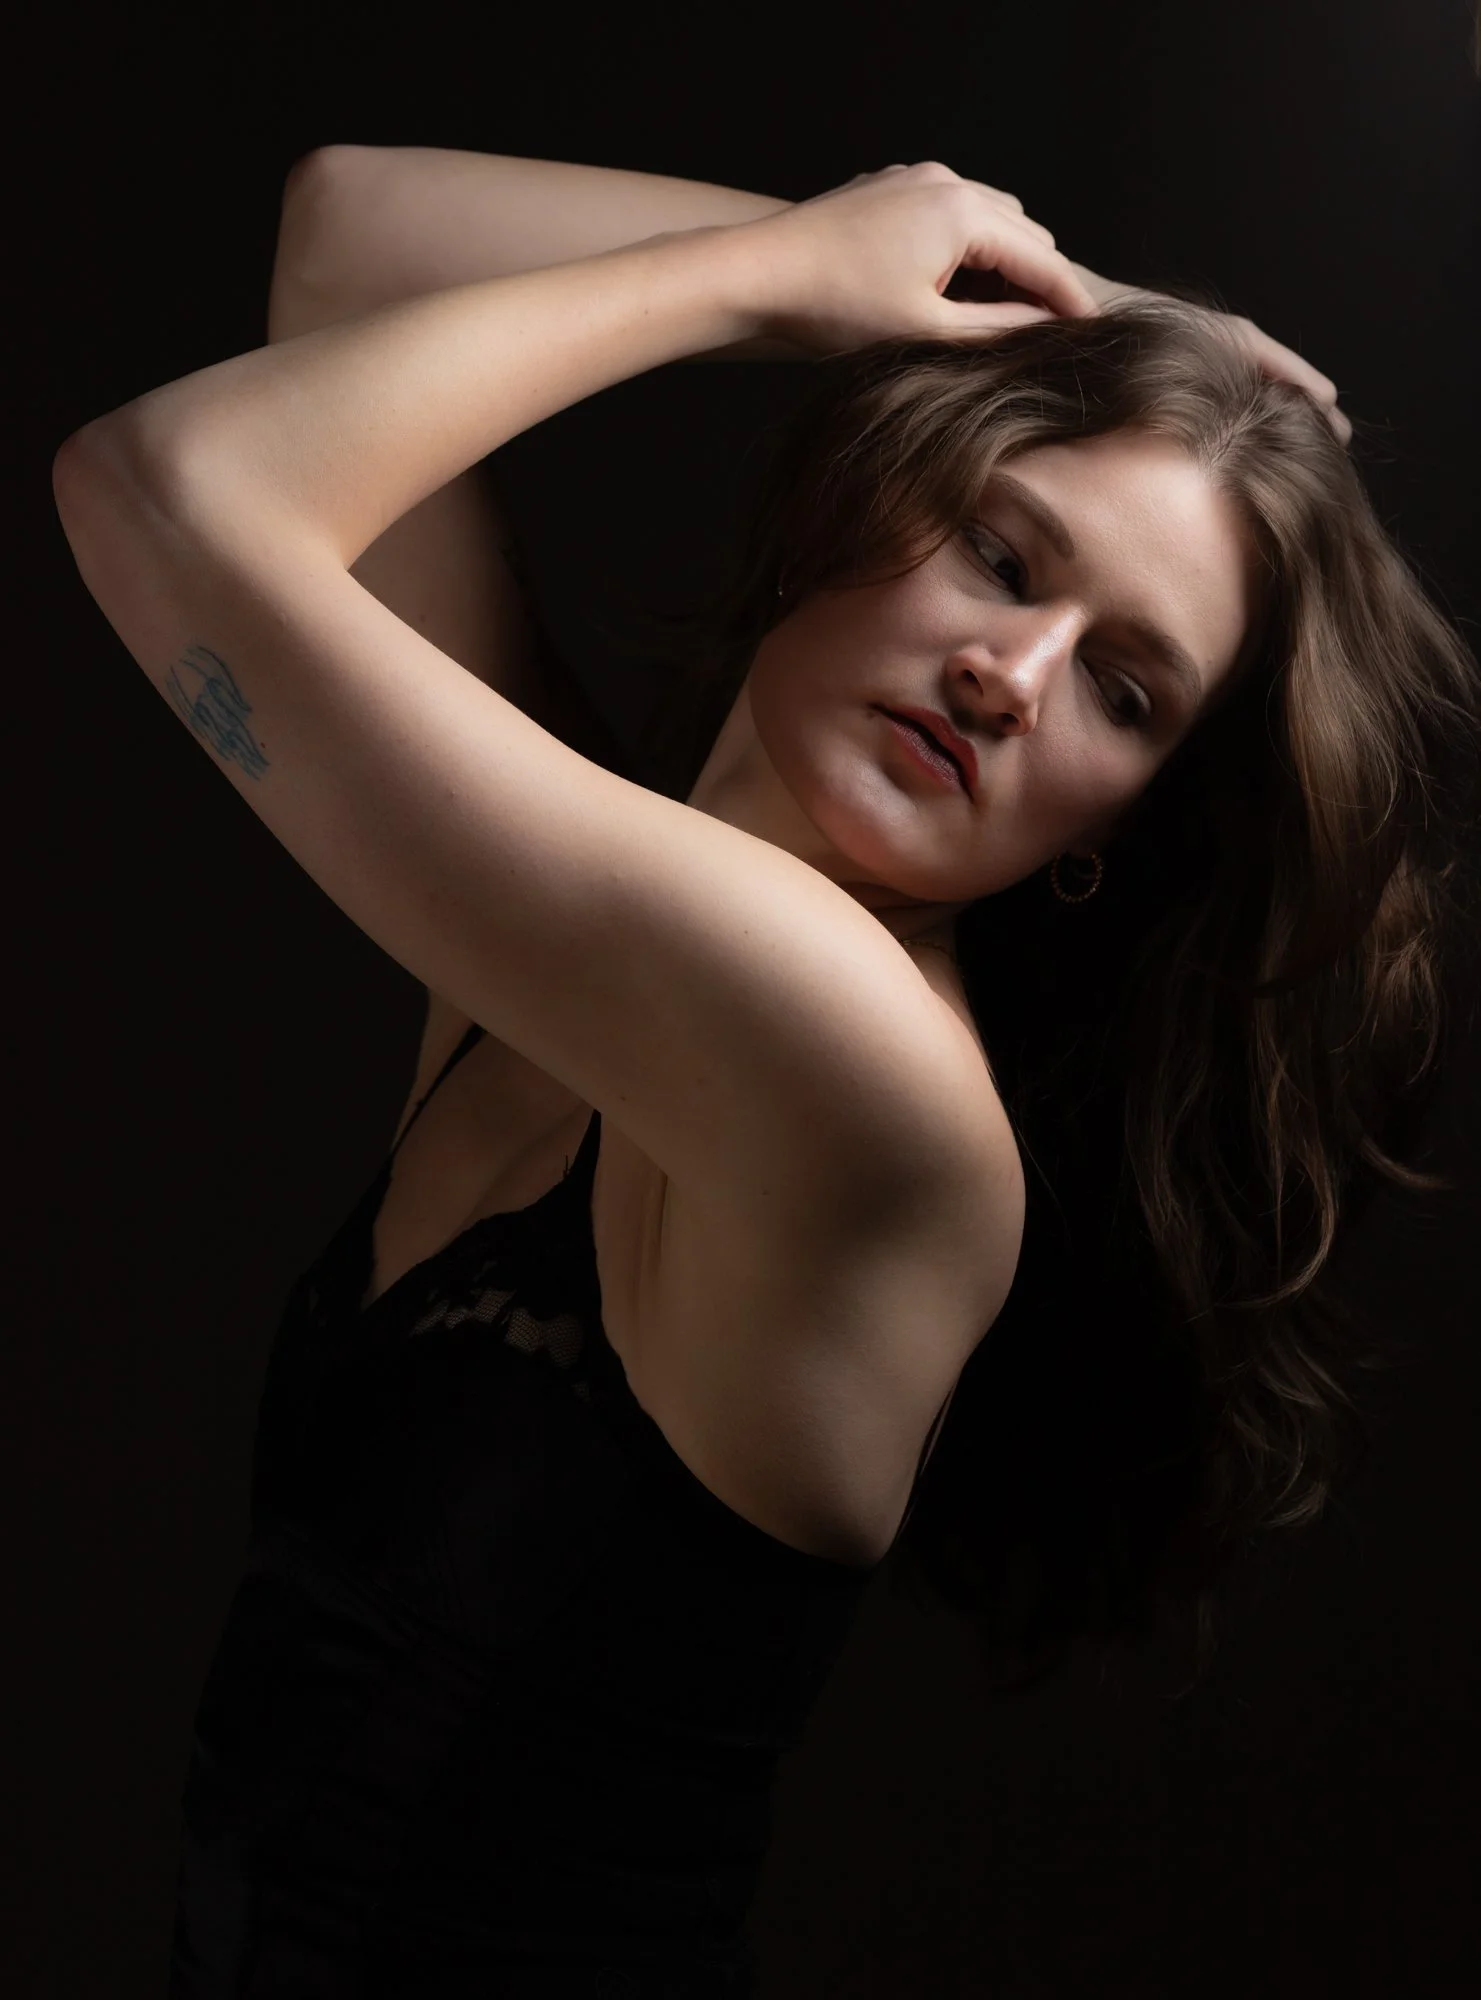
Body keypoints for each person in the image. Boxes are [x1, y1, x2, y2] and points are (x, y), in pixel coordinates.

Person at [52, 154, 1480, 1996]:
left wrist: (769, 280)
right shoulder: (566, 943)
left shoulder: (857, 1064)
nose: (1014, 673)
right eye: (1004, 554)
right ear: (864, 491)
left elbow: (166, 489)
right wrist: (1053, 302)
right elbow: (353, 239)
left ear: (1108, 832)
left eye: (1124, 692)